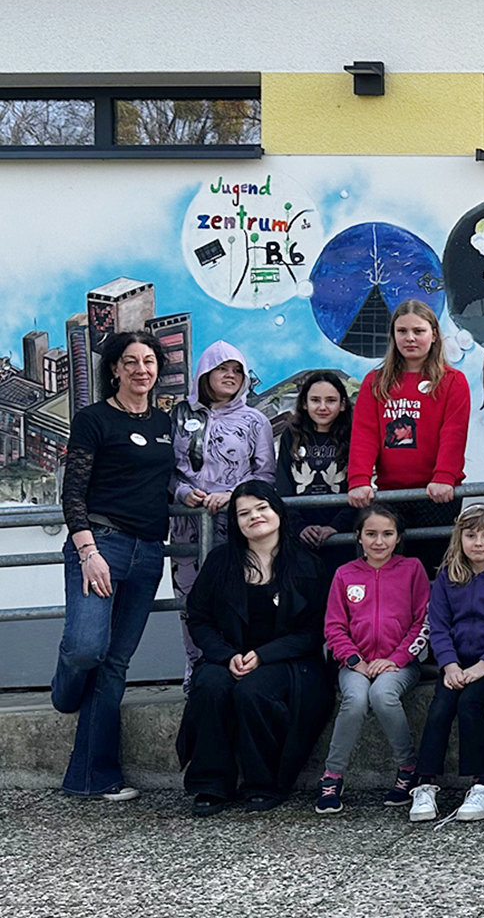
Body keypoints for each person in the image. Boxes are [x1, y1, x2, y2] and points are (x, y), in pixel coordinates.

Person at [53, 331, 176, 801]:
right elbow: (73, 492)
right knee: (87, 648)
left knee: (114, 664)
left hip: (149, 551)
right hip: (102, 543)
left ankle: (93, 777)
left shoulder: (164, 422)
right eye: (131, 362)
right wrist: (88, 552)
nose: (141, 370)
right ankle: (64, 690)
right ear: (114, 369)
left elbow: (171, 481)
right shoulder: (93, 419)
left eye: (149, 361)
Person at [177, 481, 332, 815]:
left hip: (290, 660)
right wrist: (226, 655)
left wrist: (263, 656)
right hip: (230, 654)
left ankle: (264, 783)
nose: (254, 517)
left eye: (262, 508)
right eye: (244, 513)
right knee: (211, 685)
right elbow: (199, 619)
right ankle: (211, 783)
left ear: (278, 511)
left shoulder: (307, 564)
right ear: (236, 522)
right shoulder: (220, 562)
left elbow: (313, 631)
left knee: (253, 691)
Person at [170, 340, 277, 685]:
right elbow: (164, 467)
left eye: (237, 370)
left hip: (236, 524)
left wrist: (234, 496)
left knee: (238, 596)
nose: (230, 375)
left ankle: (239, 669)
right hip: (187, 524)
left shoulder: (255, 420)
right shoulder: (178, 415)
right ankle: (197, 673)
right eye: (222, 368)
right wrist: (183, 492)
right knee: (191, 600)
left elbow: (265, 475)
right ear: (205, 372)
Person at [411, 504, 484, 823]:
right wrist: (449, 665)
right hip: (456, 662)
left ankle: (482, 784)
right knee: (440, 707)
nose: (478, 543)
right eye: (471, 535)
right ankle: (424, 783)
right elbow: (439, 626)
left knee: (469, 703)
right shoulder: (447, 577)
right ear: (458, 538)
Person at [315, 504, 431, 815]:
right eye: (371, 534)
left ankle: (407, 768)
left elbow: (422, 621)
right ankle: (332, 776)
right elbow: (334, 626)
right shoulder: (345, 574)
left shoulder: (412, 569)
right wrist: (355, 660)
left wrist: (396, 658)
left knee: (382, 694)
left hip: (400, 664)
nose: (379, 541)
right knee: (354, 699)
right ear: (358, 536)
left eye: (387, 534)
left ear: (398, 537)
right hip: (355, 664)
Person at [348, 300, 471, 573]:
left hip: (436, 496)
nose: (410, 338)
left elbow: (454, 434)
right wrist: (359, 479)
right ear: (393, 336)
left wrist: (444, 477)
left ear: (434, 335)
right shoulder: (375, 381)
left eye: (418, 331)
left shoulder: (452, 381)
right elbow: (365, 434)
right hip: (389, 495)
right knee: (386, 572)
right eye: (402, 331)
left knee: (432, 572)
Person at [278, 371, 357, 565]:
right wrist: (299, 527)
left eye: (331, 400)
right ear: (304, 404)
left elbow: (359, 486)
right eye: (315, 400)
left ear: (342, 404)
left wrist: (336, 527)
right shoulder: (291, 435)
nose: (322, 407)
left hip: (343, 534)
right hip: (300, 536)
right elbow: (283, 485)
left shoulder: (354, 435)